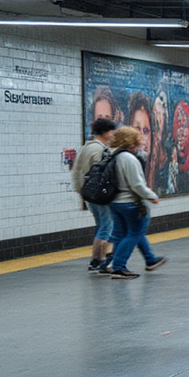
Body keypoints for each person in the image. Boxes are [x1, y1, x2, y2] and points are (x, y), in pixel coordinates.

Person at [105, 126, 166, 280]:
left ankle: (149, 259)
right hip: (130, 203)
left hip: (115, 202)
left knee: (124, 234)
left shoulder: (113, 155)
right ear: (131, 141)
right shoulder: (128, 158)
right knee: (135, 232)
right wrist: (151, 196)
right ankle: (118, 267)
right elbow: (136, 184)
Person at [71, 117, 118, 273]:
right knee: (107, 226)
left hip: (88, 193)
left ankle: (95, 261)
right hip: (100, 195)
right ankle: (100, 260)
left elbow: (77, 172)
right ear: (105, 132)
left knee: (101, 225)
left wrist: (81, 191)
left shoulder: (85, 147)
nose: (113, 134)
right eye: (112, 131)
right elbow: (104, 174)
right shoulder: (100, 150)